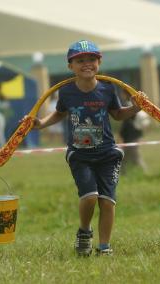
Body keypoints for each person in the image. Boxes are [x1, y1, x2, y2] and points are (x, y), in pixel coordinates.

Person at [32, 40, 145, 256]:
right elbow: (59, 113)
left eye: (91, 59)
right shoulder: (66, 92)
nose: (87, 64)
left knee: (108, 201)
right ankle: (84, 232)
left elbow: (118, 114)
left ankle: (104, 247)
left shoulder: (107, 89)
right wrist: (41, 124)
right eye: (80, 60)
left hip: (107, 153)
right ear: (70, 66)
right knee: (90, 196)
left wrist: (136, 108)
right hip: (80, 154)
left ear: (99, 62)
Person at [119, 90, 149, 174]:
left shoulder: (127, 106)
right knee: (125, 158)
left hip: (131, 136)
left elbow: (126, 123)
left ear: (125, 94)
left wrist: (121, 135)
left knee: (136, 157)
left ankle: (145, 173)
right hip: (134, 135)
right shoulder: (133, 105)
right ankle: (122, 173)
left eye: (122, 93)